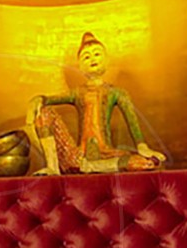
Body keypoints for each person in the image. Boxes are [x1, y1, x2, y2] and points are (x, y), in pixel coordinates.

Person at [29, 32, 166, 175]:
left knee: (148, 162)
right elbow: (48, 99)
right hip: (78, 156)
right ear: (80, 66)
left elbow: (132, 120)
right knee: (43, 112)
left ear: (106, 60)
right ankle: (53, 167)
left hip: (107, 155)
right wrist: (37, 100)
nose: (92, 59)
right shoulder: (77, 93)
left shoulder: (116, 92)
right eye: (86, 57)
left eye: (97, 54)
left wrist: (142, 146)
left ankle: (90, 167)